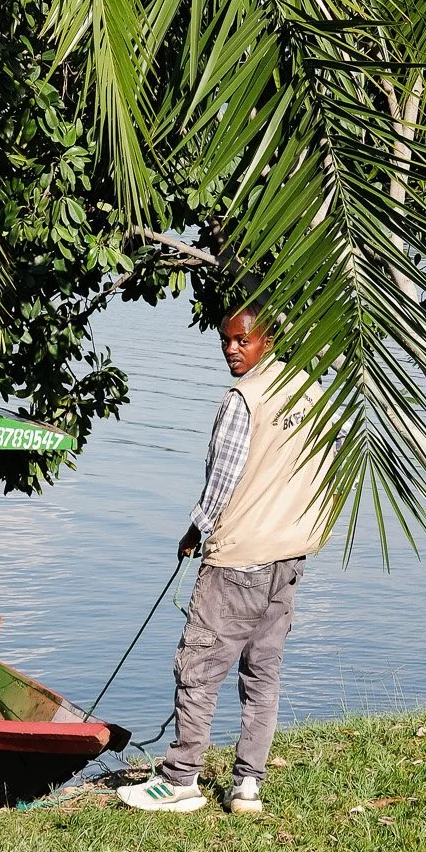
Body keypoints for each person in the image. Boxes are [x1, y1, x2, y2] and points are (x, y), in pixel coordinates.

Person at [118, 305, 334, 816]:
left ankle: (180, 780)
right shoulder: (310, 390)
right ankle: (247, 787)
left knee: (198, 667)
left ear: (269, 337)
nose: (232, 349)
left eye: (243, 340)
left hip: (240, 559)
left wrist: (195, 529)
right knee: (263, 672)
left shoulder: (244, 398)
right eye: (226, 341)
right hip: (290, 555)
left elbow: (222, 480)